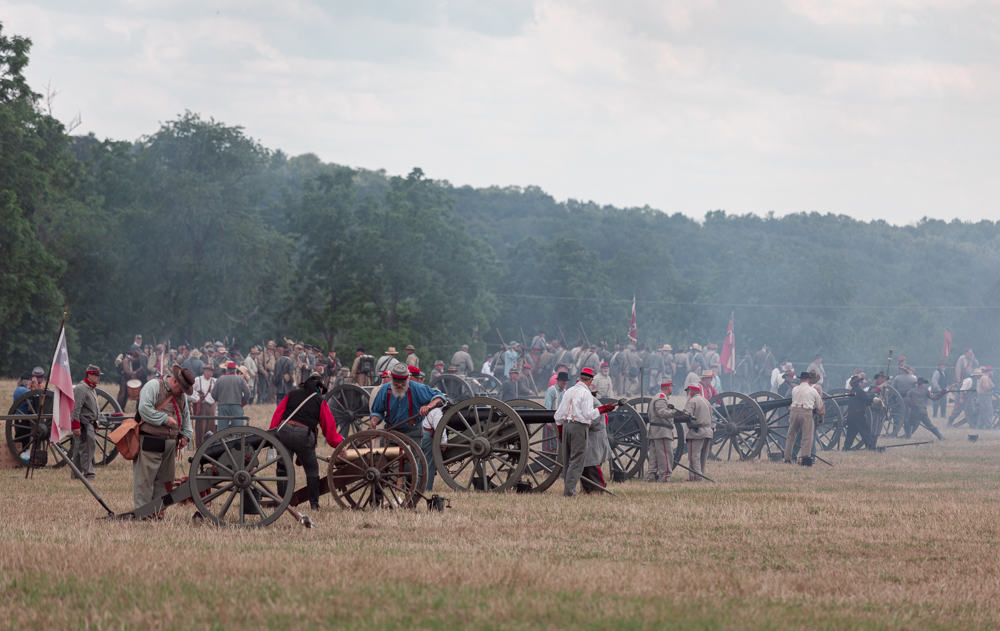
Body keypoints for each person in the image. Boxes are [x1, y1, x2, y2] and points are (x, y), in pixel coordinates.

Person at [270, 372, 344, 510]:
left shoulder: (292, 394)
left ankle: (281, 502)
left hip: (284, 432)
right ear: (320, 388)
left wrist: (271, 437)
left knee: (282, 468)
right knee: (312, 469)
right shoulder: (319, 401)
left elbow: (278, 414)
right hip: (303, 435)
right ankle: (314, 505)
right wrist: (339, 444)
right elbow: (329, 427)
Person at [133, 364, 195, 513]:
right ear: (174, 381)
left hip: (171, 443)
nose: (182, 393)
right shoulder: (153, 386)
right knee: (145, 479)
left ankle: (158, 510)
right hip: (151, 439)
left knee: (166, 479)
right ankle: (142, 511)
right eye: (181, 388)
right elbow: (144, 409)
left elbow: (186, 416)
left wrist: (186, 434)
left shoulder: (181, 396)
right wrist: (164, 419)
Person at [369, 363, 447, 447]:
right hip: (390, 432)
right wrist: (374, 420)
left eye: (402, 381)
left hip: (412, 434)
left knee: (412, 459)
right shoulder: (384, 390)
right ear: (391, 378)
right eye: (396, 380)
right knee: (384, 458)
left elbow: (440, 397)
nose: (399, 384)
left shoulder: (417, 388)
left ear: (408, 378)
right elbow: (377, 411)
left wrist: (428, 406)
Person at [554, 368, 601, 496]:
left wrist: (560, 431)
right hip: (579, 427)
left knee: (568, 460)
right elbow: (588, 414)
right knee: (577, 461)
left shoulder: (568, 391)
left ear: (580, 378)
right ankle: (570, 492)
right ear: (590, 381)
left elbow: (558, 415)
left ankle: (568, 489)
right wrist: (602, 410)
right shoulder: (586, 393)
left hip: (566, 426)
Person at [69, 364, 103, 480]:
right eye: (96, 375)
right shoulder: (81, 388)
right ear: (89, 375)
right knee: (87, 449)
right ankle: (89, 473)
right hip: (84, 424)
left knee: (80, 449)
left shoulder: (91, 388)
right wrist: (75, 426)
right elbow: (75, 408)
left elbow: (95, 409)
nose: (98, 378)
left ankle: (76, 474)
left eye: (98, 375)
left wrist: (97, 423)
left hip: (90, 423)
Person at [783, 371, 824, 466]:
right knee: (807, 437)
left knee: (790, 436)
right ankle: (805, 459)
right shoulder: (813, 390)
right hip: (806, 412)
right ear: (808, 379)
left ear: (801, 379)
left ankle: (787, 458)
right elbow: (819, 405)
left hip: (794, 411)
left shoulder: (795, 389)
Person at [645, 380, 678, 483]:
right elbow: (661, 412)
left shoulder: (659, 397)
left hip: (657, 431)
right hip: (662, 431)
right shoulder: (661, 397)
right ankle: (665, 477)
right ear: (667, 387)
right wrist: (674, 413)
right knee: (666, 454)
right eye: (671, 387)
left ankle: (651, 476)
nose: (672, 389)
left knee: (654, 455)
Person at [683, 384, 713, 480]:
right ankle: (699, 475)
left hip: (696, 432)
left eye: (688, 391)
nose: (688, 393)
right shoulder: (706, 401)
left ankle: (696, 477)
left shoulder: (692, 401)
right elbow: (711, 416)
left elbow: (686, 415)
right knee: (703, 457)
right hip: (708, 431)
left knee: (693, 456)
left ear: (692, 391)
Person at [212, 361, 251, 431]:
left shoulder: (220, 379)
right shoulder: (240, 379)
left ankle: (221, 441)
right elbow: (247, 393)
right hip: (236, 406)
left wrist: (219, 400)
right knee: (238, 429)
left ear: (227, 369)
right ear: (235, 370)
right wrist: (243, 402)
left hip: (223, 406)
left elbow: (213, 393)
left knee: (221, 430)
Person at [843, 374, 878, 450]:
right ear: (858, 383)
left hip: (851, 416)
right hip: (858, 415)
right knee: (865, 432)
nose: (861, 383)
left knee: (850, 434)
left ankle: (845, 448)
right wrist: (874, 399)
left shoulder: (852, 391)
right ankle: (872, 448)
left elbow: (863, 401)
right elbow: (867, 399)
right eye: (860, 382)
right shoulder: (859, 391)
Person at [191, 364, 216, 447]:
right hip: (201, 405)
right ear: (204, 371)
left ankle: (209, 445)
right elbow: (191, 391)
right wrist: (197, 398)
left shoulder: (214, 381)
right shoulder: (198, 380)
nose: (209, 372)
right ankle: (200, 446)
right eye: (208, 370)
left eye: (211, 371)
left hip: (211, 405)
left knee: (211, 426)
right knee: (200, 427)